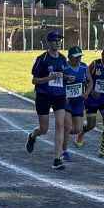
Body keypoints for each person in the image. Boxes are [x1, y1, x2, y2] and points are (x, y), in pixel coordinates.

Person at [26, 31, 68, 170]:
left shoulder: (63, 59)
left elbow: (63, 77)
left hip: (59, 95)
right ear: (49, 42)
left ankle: (57, 159)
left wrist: (67, 80)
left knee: (60, 125)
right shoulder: (42, 59)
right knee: (44, 129)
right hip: (44, 95)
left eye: (59, 40)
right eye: (55, 40)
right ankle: (32, 136)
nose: (58, 42)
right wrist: (49, 78)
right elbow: (34, 80)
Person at [76, 44, 104, 158]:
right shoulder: (95, 64)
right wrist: (90, 91)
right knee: (91, 125)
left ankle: (102, 149)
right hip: (92, 99)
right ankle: (81, 133)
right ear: (103, 55)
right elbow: (85, 79)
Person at [60, 46, 91, 162]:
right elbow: (58, 83)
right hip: (66, 102)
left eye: (80, 57)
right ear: (69, 57)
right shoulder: (64, 68)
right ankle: (64, 151)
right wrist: (62, 95)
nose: (78, 59)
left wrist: (87, 92)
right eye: (75, 57)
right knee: (67, 126)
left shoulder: (84, 67)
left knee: (77, 129)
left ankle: (61, 134)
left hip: (78, 101)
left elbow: (90, 81)